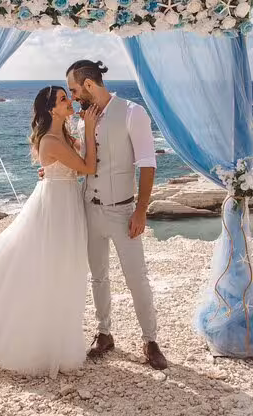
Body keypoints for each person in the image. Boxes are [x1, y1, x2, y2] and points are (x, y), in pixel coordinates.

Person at [0, 86, 100, 378]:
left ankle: (57, 336)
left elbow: (70, 165)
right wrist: (91, 126)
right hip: (56, 207)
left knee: (64, 270)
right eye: (62, 99)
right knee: (49, 270)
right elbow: (88, 166)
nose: (68, 101)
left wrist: (85, 130)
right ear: (50, 110)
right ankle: (37, 343)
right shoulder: (51, 140)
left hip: (66, 202)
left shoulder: (64, 135)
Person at [66, 60, 168, 370]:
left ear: (88, 85)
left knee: (136, 278)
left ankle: (150, 340)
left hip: (123, 210)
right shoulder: (80, 118)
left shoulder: (132, 113)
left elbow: (148, 164)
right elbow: (79, 160)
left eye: (73, 90)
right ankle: (104, 333)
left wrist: (140, 210)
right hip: (89, 208)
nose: (72, 97)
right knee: (98, 276)